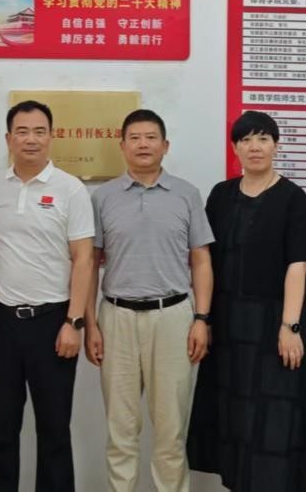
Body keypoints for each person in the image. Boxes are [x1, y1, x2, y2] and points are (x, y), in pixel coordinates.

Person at [187, 110, 306, 491]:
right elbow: (205, 261)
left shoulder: (293, 198)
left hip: (277, 325)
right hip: (230, 327)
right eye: (246, 140)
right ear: (235, 148)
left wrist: (291, 326)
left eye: (263, 138)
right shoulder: (221, 195)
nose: (255, 147)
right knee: (236, 419)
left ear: (276, 145)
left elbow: (298, 265)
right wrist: (204, 318)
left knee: (276, 424)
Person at [84, 108, 214, 492]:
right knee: (120, 431)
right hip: (116, 318)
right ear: (122, 145)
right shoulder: (103, 197)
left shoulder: (187, 194)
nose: (143, 144)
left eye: (151, 137)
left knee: (171, 431)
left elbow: (201, 260)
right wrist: (90, 323)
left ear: (165, 145)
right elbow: (89, 263)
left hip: (173, 318)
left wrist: (201, 319)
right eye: (135, 138)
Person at [0, 100, 94, 492]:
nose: (31, 139)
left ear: (51, 136)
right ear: (8, 138)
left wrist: (74, 321)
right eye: (22, 131)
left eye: (39, 131)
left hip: (53, 322)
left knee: (54, 429)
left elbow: (83, 259)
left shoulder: (70, 189)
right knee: (1, 427)